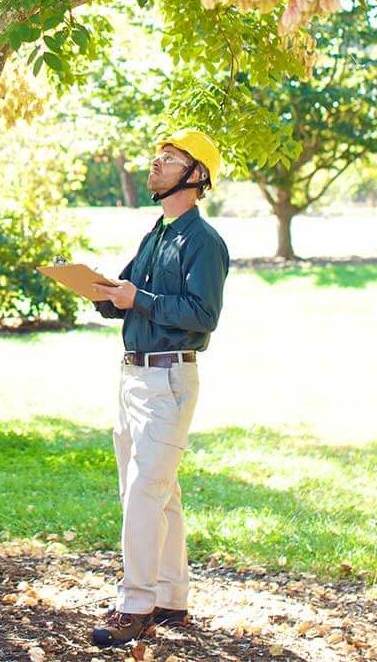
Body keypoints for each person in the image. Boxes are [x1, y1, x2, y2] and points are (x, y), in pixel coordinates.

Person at [89, 128, 230, 648]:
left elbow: (202, 315)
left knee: (145, 492)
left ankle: (135, 604)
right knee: (156, 489)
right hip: (133, 375)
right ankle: (172, 596)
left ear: (196, 176)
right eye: (158, 155)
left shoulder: (204, 242)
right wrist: (103, 293)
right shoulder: (156, 235)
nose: (155, 162)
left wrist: (137, 300)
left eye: (169, 159)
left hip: (168, 377)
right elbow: (128, 294)